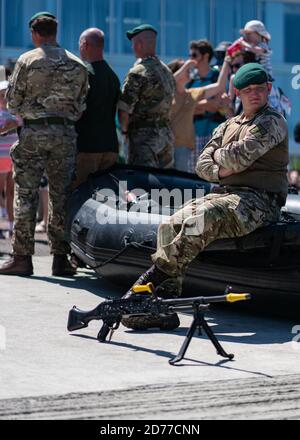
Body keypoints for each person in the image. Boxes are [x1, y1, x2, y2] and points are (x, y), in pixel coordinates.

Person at [121, 63, 288, 330]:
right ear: (237, 92)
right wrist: (227, 165)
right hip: (225, 195)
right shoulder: (228, 126)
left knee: (202, 219)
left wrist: (222, 159)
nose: (254, 94)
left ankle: (143, 287)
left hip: (260, 201)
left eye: (259, 89)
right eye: (247, 90)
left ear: (268, 89)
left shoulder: (272, 121)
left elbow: (241, 156)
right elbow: (202, 165)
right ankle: (163, 304)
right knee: (169, 225)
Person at [0, 11, 89, 277]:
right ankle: (60, 259)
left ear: (35, 33)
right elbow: (81, 106)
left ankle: (22, 258)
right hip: (64, 135)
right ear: (55, 32)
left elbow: (12, 102)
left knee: (26, 193)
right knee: (60, 197)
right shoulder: (77, 64)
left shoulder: (27, 60)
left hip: (33, 134)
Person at [118, 24, 176, 169]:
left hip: (143, 140)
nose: (132, 48)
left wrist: (124, 131)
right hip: (165, 136)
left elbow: (124, 109)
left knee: (142, 184)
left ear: (139, 44)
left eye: (133, 44)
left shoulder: (138, 72)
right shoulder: (167, 71)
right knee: (163, 186)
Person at [74, 28, 121, 187]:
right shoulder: (113, 76)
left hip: (87, 147)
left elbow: (77, 112)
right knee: (104, 199)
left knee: (79, 196)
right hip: (110, 147)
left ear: (85, 45)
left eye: (79, 45)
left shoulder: (84, 74)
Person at [168, 58, 231, 172]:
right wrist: (186, 64)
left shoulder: (191, 94)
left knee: (180, 186)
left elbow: (219, 86)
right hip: (169, 147)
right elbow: (169, 81)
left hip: (185, 148)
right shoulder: (167, 94)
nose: (189, 71)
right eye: (185, 69)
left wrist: (226, 60)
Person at [186, 39, 229, 173]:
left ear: (205, 57)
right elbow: (185, 106)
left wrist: (194, 106)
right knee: (194, 173)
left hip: (213, 135)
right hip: (195, 135)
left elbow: (215, 105)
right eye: (190, 56)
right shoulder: (191, 80)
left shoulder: (217, 77)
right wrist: (202, 106)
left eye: (194, 56)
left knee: (212, 172)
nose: (190, 60)